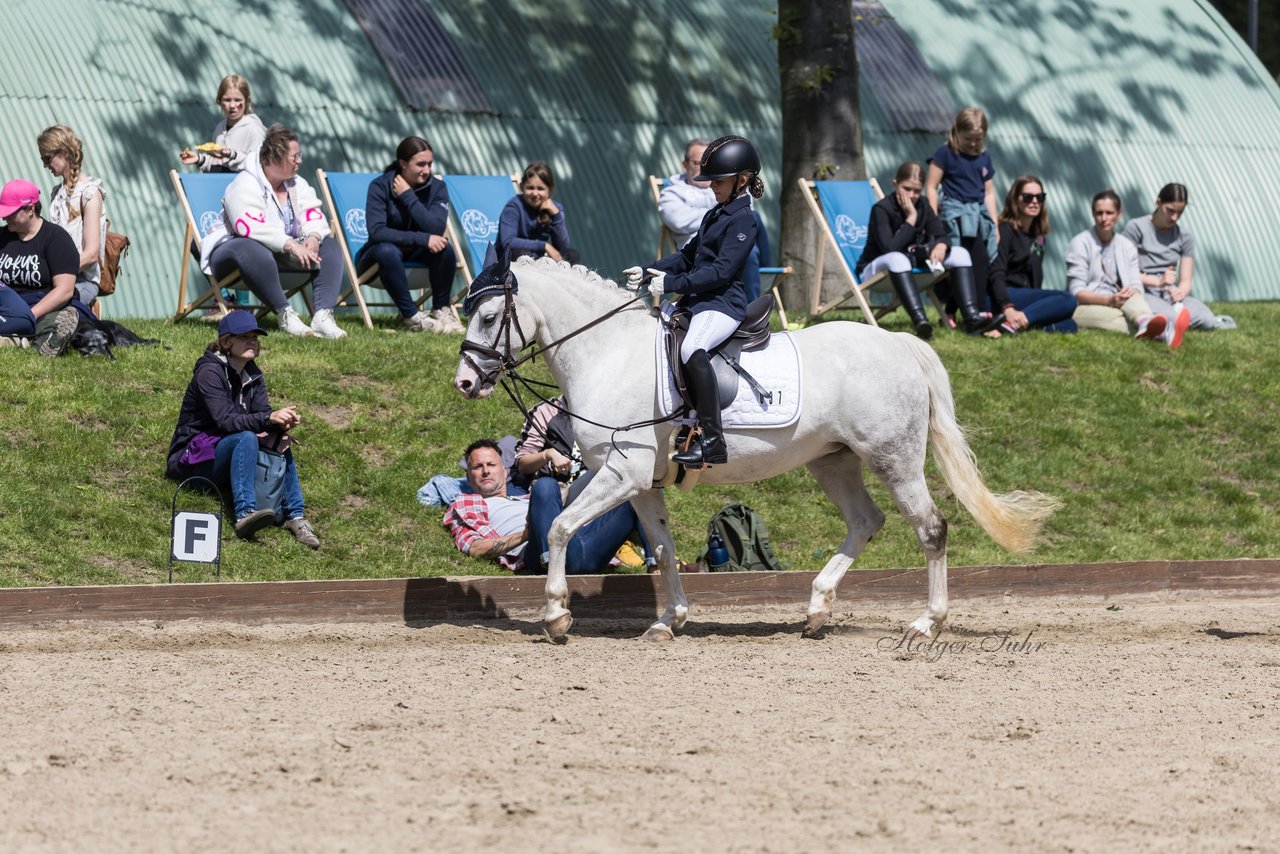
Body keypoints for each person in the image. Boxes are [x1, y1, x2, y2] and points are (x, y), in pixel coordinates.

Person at [623, 135, 760, 467]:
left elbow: (721, 272)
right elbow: (687, 256)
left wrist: (670, 283)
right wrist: (648, 270)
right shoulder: (717, 213)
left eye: (718, 180)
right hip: (699, 301)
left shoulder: (744, 220)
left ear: (741, 180)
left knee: (691, 349)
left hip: (723, 304)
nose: (711, 185)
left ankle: (713, 440)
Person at [166, 310, 320, 547]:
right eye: (245, 336)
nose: (252, 342)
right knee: (246, 437)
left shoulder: (253, 374)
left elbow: (261, 415)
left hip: (228, 453)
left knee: (280, 442)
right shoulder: (209, 371)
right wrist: (268, 418)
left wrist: (280, 425)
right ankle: (244, 514)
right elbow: (226, 421)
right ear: (226, 342)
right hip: (193, 461)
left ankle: (296, 516)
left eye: (255, 337)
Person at [198, 124, 347, 338]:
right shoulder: (244, 184)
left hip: (279, 255)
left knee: (329, 243)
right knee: (249, 246)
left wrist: (313, 237)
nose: (300, 161)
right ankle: (284, 314)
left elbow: (312, 213)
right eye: (294, 157)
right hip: (233, 256)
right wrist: (291, 244)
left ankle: (323, 316)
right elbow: (248, 226)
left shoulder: (297, 184)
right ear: (274, 157)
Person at [442, 438, 644, 575]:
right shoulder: (466, 503)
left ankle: (656, 563)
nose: (486, 471)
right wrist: (529, 533)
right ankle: (553, 563)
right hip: (537, 552)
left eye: (491, 465)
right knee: (545, 484)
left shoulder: (528, 498)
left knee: (631, 488)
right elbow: (475, 548)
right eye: (478, 467)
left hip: (582, 546)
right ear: (468, 477)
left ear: (504, 471)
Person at [854, 161, 998, 339]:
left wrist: (941, 245)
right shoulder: (882, 209)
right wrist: (911, 218)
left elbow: (941, 233)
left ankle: (972, 318)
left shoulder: (923, 204)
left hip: (911, 266)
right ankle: (920, 321)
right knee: (897, 258)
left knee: (961, 254)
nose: (912, 195)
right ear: (894, 184)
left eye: (916, 190)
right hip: (875, 270)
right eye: (906, 189)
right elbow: (889, 248)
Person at [356, 136, 462, 334]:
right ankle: (412, 317)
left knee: (444, 249)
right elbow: (377, 231)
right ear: (403, 164)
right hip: (377, 261)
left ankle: (441, 310)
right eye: (420, 164)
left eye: (430, 164)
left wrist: (408, 196)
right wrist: (422, 239)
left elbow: (436, 229)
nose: (427, 170)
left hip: (416, 256)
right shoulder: (379, 187)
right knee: (387, 250)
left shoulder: (438, 188)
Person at [659, 137, 770, 302]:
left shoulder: (729, 187)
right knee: (749, 252)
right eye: (697, 163)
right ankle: (755, 302)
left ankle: (764, 281)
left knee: (753, 218)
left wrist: (716, 215)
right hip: (703, 250)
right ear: (685, 165)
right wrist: (719, 215)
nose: (704, 169)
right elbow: (678, 221)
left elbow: (745, 208)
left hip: (731, 245)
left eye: (711, 164)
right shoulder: (672, 192)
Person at [925, 107, 1003, 332]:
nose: (972, 143)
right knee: (957, 264)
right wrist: (933, 221)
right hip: (953, 217)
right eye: (968, 138)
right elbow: (931, 187)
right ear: (956, 133)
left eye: (977, 139)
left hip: (977, 218)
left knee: (979, 262)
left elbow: (989, 193)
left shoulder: (984, 158)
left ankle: (975, 313)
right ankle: (952, 310)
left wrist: (994, 224)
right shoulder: (945, 154)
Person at [1066, 189, 1172, 343]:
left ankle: (1144, 321)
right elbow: (1077, 292)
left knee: (1133, 296)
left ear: (1118, 214)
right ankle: (1158, 330)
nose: (1104, 218)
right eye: (1099, 213)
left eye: (1109, 213)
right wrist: (1109, 300)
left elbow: (1136, 286)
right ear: (1093, 214)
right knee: (1115, 319)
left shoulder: (1126, 245)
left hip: (1122, 301)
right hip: (1088, 304)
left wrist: (1127, 293)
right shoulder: (1080, 243)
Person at [0, 179, 83, 356]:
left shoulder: (56, 239)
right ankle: (15, 338)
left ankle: (44, 340)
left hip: (40, 307)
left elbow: (65, 290)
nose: (4, 217)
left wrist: (27, 315)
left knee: (52, 320)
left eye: (11, 213)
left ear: (30, 209)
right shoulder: (2, 237)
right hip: (6, 306)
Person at [986, 176, 1077, 334]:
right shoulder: (1004, 230)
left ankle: (1014, 325)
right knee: (1068, 299)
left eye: (1039, 197)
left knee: (1070, 324)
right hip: (1001, 296)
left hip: (1023, 296)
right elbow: (996, 273)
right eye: (1028, 197)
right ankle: (1011, 322)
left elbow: (1035, 276)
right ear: (1015, 199)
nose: (1034, 202)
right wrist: (1008, 307)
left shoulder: (1038, 236)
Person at [1122, 183, 1211, 338]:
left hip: (1168, 295)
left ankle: (1170, 322)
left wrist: (1180, 292)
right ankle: (1167, 323)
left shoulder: (1185, 236)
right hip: (1142, 291)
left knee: (1208, 321)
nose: (1174, 217)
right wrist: (1157, 282)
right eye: (1170, 210)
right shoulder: (1135, 227)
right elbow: (1124, 272)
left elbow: (1186, 281)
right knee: (1172, 317)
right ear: (1158, 202)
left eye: (1180, 212)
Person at [37, 125, 107, 306]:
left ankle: (88, 313)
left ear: (64, 154)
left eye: (47, 158)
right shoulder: (56, 193)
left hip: (83, 280)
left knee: (50, 309)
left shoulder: (90, 193)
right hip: (58, 279)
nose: (45, 165)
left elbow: (91, 254)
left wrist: (58, 274)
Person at [178, 74, 268, 173]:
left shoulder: (254, 130)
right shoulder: (220, 128)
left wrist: (232, 154)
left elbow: (258, 165)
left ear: (247, 102)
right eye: (227, 100)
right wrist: (200, 159)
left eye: (238, 100)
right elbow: (219, 164)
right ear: (219, 101)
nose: (232, 105)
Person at [495, 162, 580, 265]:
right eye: (530, 188)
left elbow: (563, 247)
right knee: (522, 255)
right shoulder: (513, 207)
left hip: (538, 262)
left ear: (549, 191)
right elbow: (508, 242)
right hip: (508, 264)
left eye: (540, 189)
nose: (535, 193)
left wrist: (557, 216)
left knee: (571, 255)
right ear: (522, 187)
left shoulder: (554, 208)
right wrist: (544, 245)